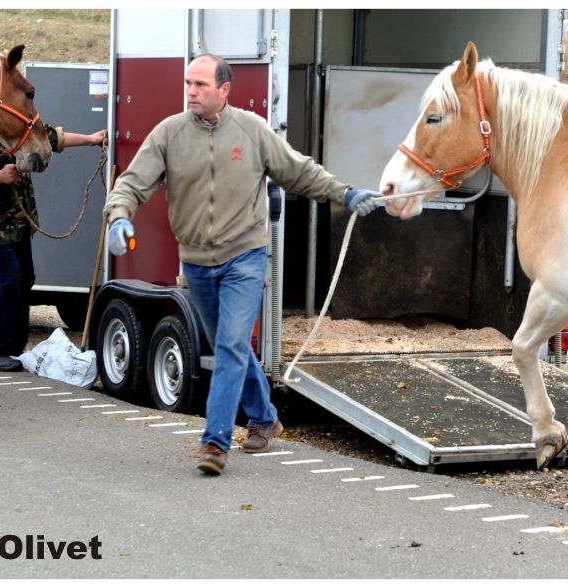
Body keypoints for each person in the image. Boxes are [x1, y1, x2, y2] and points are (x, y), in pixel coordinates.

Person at [102, 54, 380, 475]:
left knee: (232, 346)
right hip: (196, 264)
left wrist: (345, 193)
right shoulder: (169, 134)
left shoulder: (252, 131)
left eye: (200, 85)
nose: (191, 92)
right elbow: (132, 183)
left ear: (224, 90)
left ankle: (214, 444)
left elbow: (298, 171)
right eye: (188, 84)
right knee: (230, 346)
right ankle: (265, 417)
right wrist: (119, 215)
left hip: (245, 258)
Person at [0, 126, 108, 372]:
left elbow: (52, 138)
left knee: (24, 279)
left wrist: (91, 139)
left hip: (18, 225)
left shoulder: (16, 124)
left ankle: (13, 349)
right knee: (8, 281)